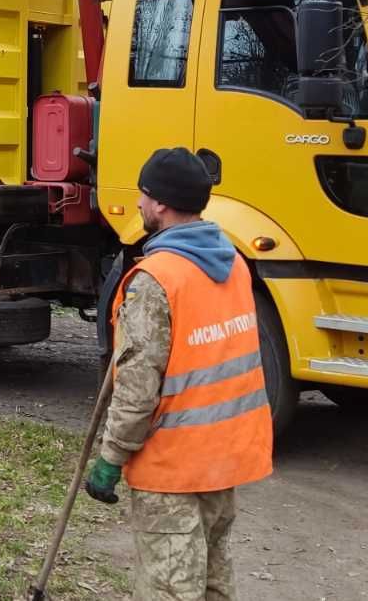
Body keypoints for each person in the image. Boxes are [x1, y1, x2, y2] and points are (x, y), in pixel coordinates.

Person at [85, 147, 273, 600]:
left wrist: (111, 458)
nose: (137, 204)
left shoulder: (157, 280)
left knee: (170, 588)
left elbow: (137, 387)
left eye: (143, 195)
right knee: (212, 580)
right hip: (224, 458)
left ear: (161, 204)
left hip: (171, 466)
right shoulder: (233, 265)